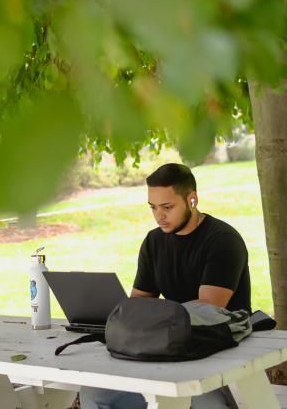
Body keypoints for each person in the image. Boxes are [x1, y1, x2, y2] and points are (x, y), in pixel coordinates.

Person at [79, 163, 251, 409]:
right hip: (166, 347)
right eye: (153, 208)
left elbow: (209, 309)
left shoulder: (223, 241)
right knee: (95, 394)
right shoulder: (153, 242)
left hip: (217, 349)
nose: (159, 216)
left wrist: (154, 316)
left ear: (192, 199)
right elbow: (139, 302)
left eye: (167, 207)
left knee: (199, 404)